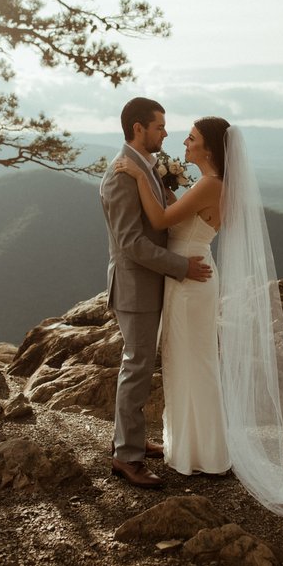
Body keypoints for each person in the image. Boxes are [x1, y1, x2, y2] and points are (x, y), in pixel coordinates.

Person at [114, 118, 283, 530]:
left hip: (190, 280)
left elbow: (159, 220)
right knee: (190, 362)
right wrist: (164, 183)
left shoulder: (210, 185)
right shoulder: (212, 183)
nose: (184, 142)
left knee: (195, 364)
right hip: (191, 275)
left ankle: (205, 453)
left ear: (208, 149)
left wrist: (139, 174)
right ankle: (191, 446)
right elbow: (182, 214)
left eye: (191, 138)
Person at [99, 97, 212, 490]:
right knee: (137, 367)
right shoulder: (119, 177)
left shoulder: (148, 167)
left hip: (153, 285)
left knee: (143, 367)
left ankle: (128, 440)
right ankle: (125, 458)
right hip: (135, 288)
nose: (166, 133)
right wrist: (181, 266)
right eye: (160, 127)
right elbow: (131, 243)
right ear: (138, 129)